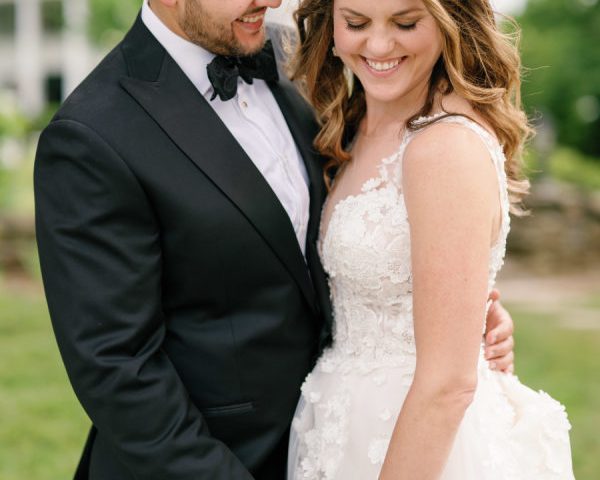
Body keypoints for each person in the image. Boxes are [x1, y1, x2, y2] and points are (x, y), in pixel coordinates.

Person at [34, 0, 516, 479]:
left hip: (350, 442)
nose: (273, 0)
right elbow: (119, 370)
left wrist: (442, 308)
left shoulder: (301, 55)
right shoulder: (92, 134)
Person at [287, 0, 575, 479]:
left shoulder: (444, 147)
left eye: (406, 22)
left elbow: (447, 382)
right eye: (356, 23)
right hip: (346, 424)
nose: (378, 45)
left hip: (420, 438)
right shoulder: (351, 123)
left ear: (449, 22)